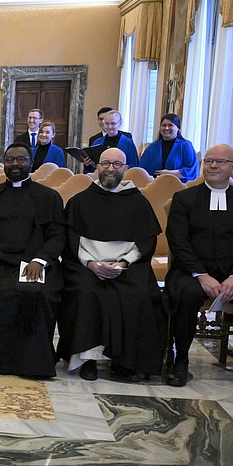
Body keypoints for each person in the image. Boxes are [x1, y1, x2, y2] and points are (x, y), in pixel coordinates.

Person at [164, 143, 233, 393]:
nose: (213, 165)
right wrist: (201, 275)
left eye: (221, 162)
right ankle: (180, 360)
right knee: (187, 294)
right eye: (209, 161)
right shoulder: (184, 198)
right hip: (192, 272)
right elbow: (178, 241)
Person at [57, 148, 165, 381]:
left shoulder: (138, 202)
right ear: (97, 167)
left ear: (126, 169)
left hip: (127, 266)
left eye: (117, 165)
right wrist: (92, 264)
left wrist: (124, 262)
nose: (110, 169)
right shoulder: (80, 202)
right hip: (87, 266)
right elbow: (70, 240)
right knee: (86, 293)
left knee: (139, 294)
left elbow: (147, 240)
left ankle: (126, 362)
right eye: (105, 164)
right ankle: (88, 359)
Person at [0, 143, 66, 378]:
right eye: (10, 160)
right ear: (4, 164)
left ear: (31, 163)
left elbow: (57, 236)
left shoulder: (48, 197)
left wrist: (40, 261)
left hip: (34, 262)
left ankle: (31, 363)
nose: (15, 164)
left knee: (38, 293)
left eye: (21, 160)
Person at [137, 113, 199, 181]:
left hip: (180, 187)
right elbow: (142, 170)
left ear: (178, 128)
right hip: (154, 187)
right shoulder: (152, 147)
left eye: (170, 125)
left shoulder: (186, 146)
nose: (166, 128)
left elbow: (192, 170)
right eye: (164, 125)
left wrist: (170, 173)